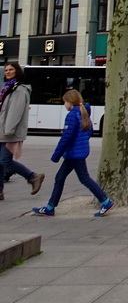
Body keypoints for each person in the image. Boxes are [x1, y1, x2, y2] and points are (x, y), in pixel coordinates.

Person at [32, 89, 114, 218]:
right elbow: (88, 132)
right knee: (60, 178)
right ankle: (50, 207)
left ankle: (105, 201)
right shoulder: (84, 114)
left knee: (84, 179)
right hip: (78, 152)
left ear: (70, 102)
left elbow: (66, 138)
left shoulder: (71, 115)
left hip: (74, 153)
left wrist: (56, 155)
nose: (64, 104)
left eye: (65, 102)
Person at [0, 61, 45, 201]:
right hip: (2, 129)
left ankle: (33, 176)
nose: (7, 72)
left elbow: (15, 111)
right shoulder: (8, 87)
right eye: (6, 70)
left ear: (17, 71)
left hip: (9, 132)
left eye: (11, 69)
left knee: (5, 161)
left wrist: (9, 129)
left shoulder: (19, 89)